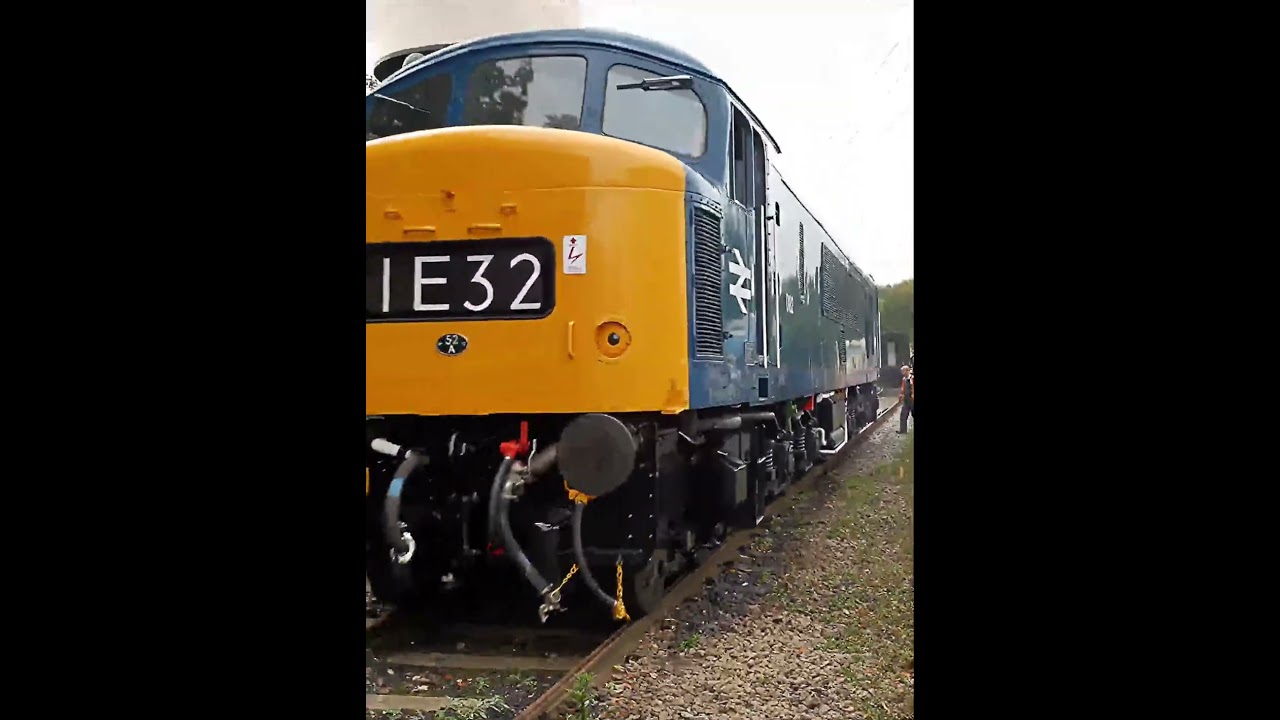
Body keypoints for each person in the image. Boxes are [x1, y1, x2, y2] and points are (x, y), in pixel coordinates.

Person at [898, 364, 913, 433]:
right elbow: (903, 389)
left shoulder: (912, 378)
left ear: (907, 371)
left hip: (912, 400)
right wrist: (901, 395)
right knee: (903, 415)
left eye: (903, 371)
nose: (902, 373)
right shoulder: (904, 379)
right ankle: (903, 430)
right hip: (906, 400)